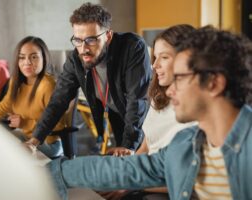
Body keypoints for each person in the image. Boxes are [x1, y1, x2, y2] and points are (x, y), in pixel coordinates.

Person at [47, 26, 252, 200]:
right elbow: (130, 170)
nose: (170, 90)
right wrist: (55, 171)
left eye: (179, 78)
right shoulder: (186, 144)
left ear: (214, 83)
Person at [28, 3, 151, 155]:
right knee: (127, 166)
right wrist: (34, 140)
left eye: (91, 40)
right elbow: (58, 101)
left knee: (147, 163)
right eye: (78, 40)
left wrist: (129, 145)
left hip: (147, 117)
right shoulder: (76, 59)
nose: (84, 48)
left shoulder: (132, 47)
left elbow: (136, 101)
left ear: (108, 36)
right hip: (119, 114)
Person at [101, 24, 196, 200]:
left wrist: (131, 185)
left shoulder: (197, 111)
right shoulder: (159, 97)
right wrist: (125, 173)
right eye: (154, 57)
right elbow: (146, 146)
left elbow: (189, 181)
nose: (154, 65)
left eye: (164, 57)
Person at [0, 36, 65, 159]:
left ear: (44, 58)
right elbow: (5, 105)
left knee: (7, 153)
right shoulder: (16, 81)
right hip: (26, 136)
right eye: (22, 57)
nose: (27, 62)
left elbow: (59, 124)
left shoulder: (48, 85)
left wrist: (25, 123)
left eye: (34, 57)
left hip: (48, 144)